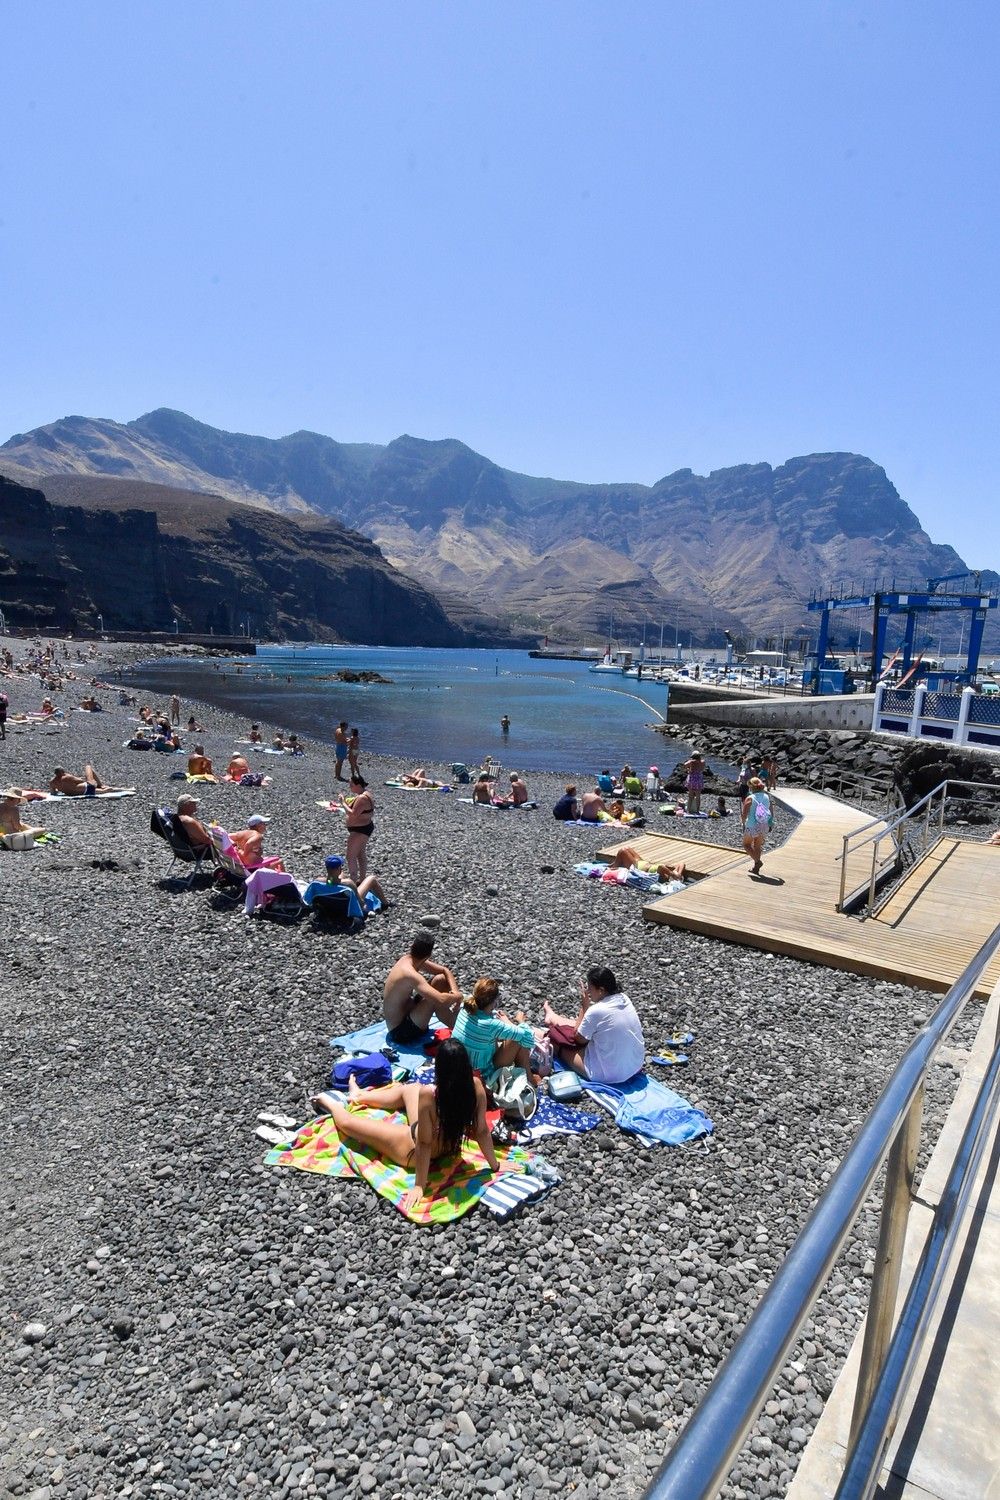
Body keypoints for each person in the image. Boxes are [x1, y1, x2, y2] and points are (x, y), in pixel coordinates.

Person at [310, 1038, 503, 1215]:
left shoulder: (430, 1094)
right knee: (410, 1089)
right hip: (447, 1145)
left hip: (411, 1147)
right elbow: (481, 1131)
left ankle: (330, 1104)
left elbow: (424, 1144)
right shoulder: (476, 1085)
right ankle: (359, 1096)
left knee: (348, 1124)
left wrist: (419, 1185)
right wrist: (495, 1165)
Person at [543, 966, 645, 1085]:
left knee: (558, 1042)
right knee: (585, 1027)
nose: (588, 992)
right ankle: (552, 1017)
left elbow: (578, 1039)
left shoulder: (597, 1010)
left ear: (601, 990)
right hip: (635, 1064)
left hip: (608, 1074)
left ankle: (551, 1021)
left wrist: (584, 1006)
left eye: (590, 988)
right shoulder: (624, 998)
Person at [452, 977, 535, 1084]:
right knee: (516, 1039)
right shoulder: (491, 1024)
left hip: (458, 1065)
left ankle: (527, 1074)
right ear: (494, 1001)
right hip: (482, 1075)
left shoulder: (466, 1007)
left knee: (502, 1036)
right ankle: (529, 1078)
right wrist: (519, 1021)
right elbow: (528, 1038)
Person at [383, 932, 463, 1041]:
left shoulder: (408, 959)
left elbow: (445, 971)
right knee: (434, 1000)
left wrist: (454, 992)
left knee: (441, 980)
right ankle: (460, 1028)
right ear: (428, 955)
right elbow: (441, 1000)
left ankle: (453, 1020)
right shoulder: (409, 973)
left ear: (412, 947)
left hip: (409, 1013)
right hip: (400, 1031)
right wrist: (458, 997)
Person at [302, 854, 387, 915]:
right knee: (371, 879)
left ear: (327, 868)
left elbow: (308, 900)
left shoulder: (318, 881)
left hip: (329, 906)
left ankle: (334, 879)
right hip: (346, 908)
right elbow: (360, 903)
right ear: (339, 868)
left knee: (339, 877)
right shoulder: (348, 884)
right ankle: (386, 903)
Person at [342, 773, 375, 883]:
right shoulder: (366, 794)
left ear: (359, 785)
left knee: (350, 856)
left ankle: (353, 881)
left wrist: (342, 802)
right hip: (363, 827)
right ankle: (362, 879)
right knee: (360, 854)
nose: (350, 787)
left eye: (351, 785)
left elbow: (353, 814)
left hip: (360, 830)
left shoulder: (362, 798)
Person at [742, 775, 773, 875]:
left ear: (751, 787)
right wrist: (770, 823)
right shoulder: (766, 796)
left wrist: (743, 822)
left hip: (752, 825)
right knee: (757, 846)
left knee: (746, 845)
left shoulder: (750, 798)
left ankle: (757, 862)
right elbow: (771, 811)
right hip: (764, 824)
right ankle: (756, 868)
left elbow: (744, 814)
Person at [608, 846, 685, 882]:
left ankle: (615, 866)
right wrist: (678, 874)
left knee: (623, 851)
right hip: (643, 862)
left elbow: (661, 867)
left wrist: (671, 874)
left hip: (636, 867)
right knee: (628, 848)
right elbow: (682, 863)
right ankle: (615, 863)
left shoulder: (664, 877)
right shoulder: (670, 874)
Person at [50, 765, 131, 797]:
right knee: (88, 767)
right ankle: (101, 784)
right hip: (87, 788)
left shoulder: (52, 782)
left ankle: (126, 790)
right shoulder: (67, 777)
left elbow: (53, 793)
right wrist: (82, 778)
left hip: (77, 793)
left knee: (105, 791)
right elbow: (80, 781)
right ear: (62, 772)